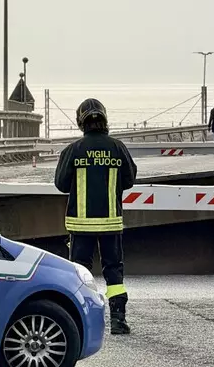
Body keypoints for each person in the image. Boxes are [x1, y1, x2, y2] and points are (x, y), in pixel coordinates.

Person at [54, 98, 138, 335]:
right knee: (114, 272)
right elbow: (130, 180)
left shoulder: (72, 150)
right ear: (104, 119)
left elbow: (61, 184)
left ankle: (80, 323)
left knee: (79, 274)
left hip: (80, 226)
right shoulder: (117, 147)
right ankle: (118, 321)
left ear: (81, 122)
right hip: (111, 223)